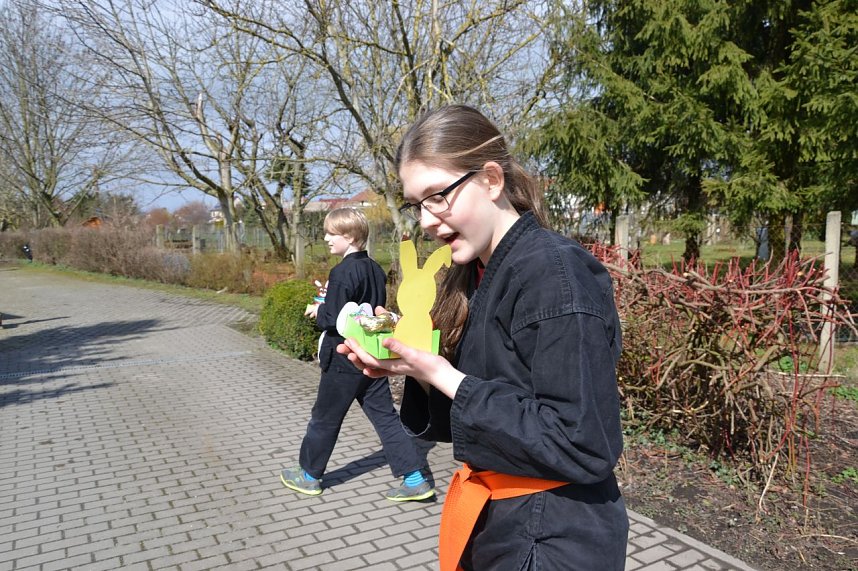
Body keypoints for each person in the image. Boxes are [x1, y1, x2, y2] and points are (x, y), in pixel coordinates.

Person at [339, 105, 628, 570]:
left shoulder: (554, 275)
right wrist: (415, 366)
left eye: (438, 196)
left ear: (491, 179)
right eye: (417, 204)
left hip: (555, 538)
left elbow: (583, 441)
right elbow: (491, 405)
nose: (427, 220)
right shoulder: (472, 274)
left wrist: (449, 379)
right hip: (504, 523)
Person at [280, 207, 435, 502]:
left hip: (344, 357)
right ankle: (415, 479)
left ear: (349, 237)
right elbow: (366, 307)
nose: (326, 238)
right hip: (370, 356)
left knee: (324, 418)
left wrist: (318, 309)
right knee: (386, 418)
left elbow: (333, 318)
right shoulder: (375, 269)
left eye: (331, 233)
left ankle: (309, 476)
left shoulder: (341, 271)